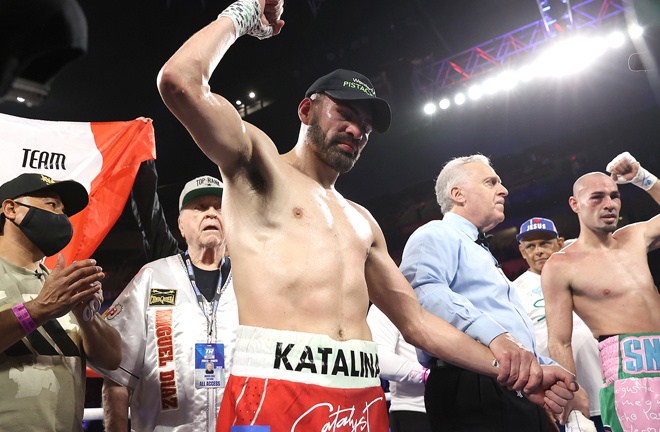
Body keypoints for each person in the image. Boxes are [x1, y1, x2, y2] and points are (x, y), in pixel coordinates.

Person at [157, 3, 576, 430]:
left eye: (366, 125)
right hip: (277, 385)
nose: (357, 131)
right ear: (306, 111)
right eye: (345, 114)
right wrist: (243, 14)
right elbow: (180, 82)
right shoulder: (258, 165)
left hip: (362, 395)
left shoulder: (361, 220)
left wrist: (520, 374)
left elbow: (417, 323)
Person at [399, 154, 579, 432]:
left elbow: (505, 327)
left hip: (511, 381)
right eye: (490, 182)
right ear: (457, 194)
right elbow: (422, 295)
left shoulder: (479, 249)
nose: (503, 189)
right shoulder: (435, 233)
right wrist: (496, 335)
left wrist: (540, 367)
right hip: (470, 381)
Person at [94, 175, 238, 432]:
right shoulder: (152, 277)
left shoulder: (253, 281)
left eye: (219, 206)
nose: (211, 213)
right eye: (200, 207)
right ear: (181, 226)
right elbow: (116, 376)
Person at [542, 151, 660, 432]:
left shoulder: (634, 237)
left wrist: (643, 179)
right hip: (628, 375)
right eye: (597, 197)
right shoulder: (560, 265)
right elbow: (560, 341)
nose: (609, 204)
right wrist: (571, 390)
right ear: (575, 204)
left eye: (614, 196)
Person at [0, 173, 121, 432]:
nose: (62, 219)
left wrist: (86, 319)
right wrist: (39, 309)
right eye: (51, 205)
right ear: (11, 209)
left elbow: (112, 360)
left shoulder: (59, 284)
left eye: (64, 212)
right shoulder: (53, 293)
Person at [512, 217, 603, 432]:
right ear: (522, 252)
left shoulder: (583, 273)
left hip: (606, 384)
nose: (539, 251)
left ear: (559, 243)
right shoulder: (514, 291)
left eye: (544, 243)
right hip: (562, 400)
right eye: (531, 246)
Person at [366, 305, 432, 432]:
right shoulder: (387, 303)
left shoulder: (456, 300)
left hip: (463, 408)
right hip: (414, 411)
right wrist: (434, 376)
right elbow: (378, 359)